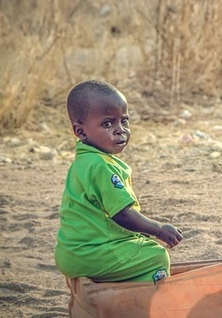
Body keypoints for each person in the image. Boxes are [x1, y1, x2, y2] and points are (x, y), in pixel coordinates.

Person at [54, 80, 184, 283]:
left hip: (73, 252)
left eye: (124, 121)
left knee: (139, 244)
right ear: (81, 131)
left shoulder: (85, 161)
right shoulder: (102, 167)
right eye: (107, 124)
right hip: (92, 253)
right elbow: (122, 214)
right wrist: (158, 229)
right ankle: (141, 302)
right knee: (156, 255)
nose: (120, 130)